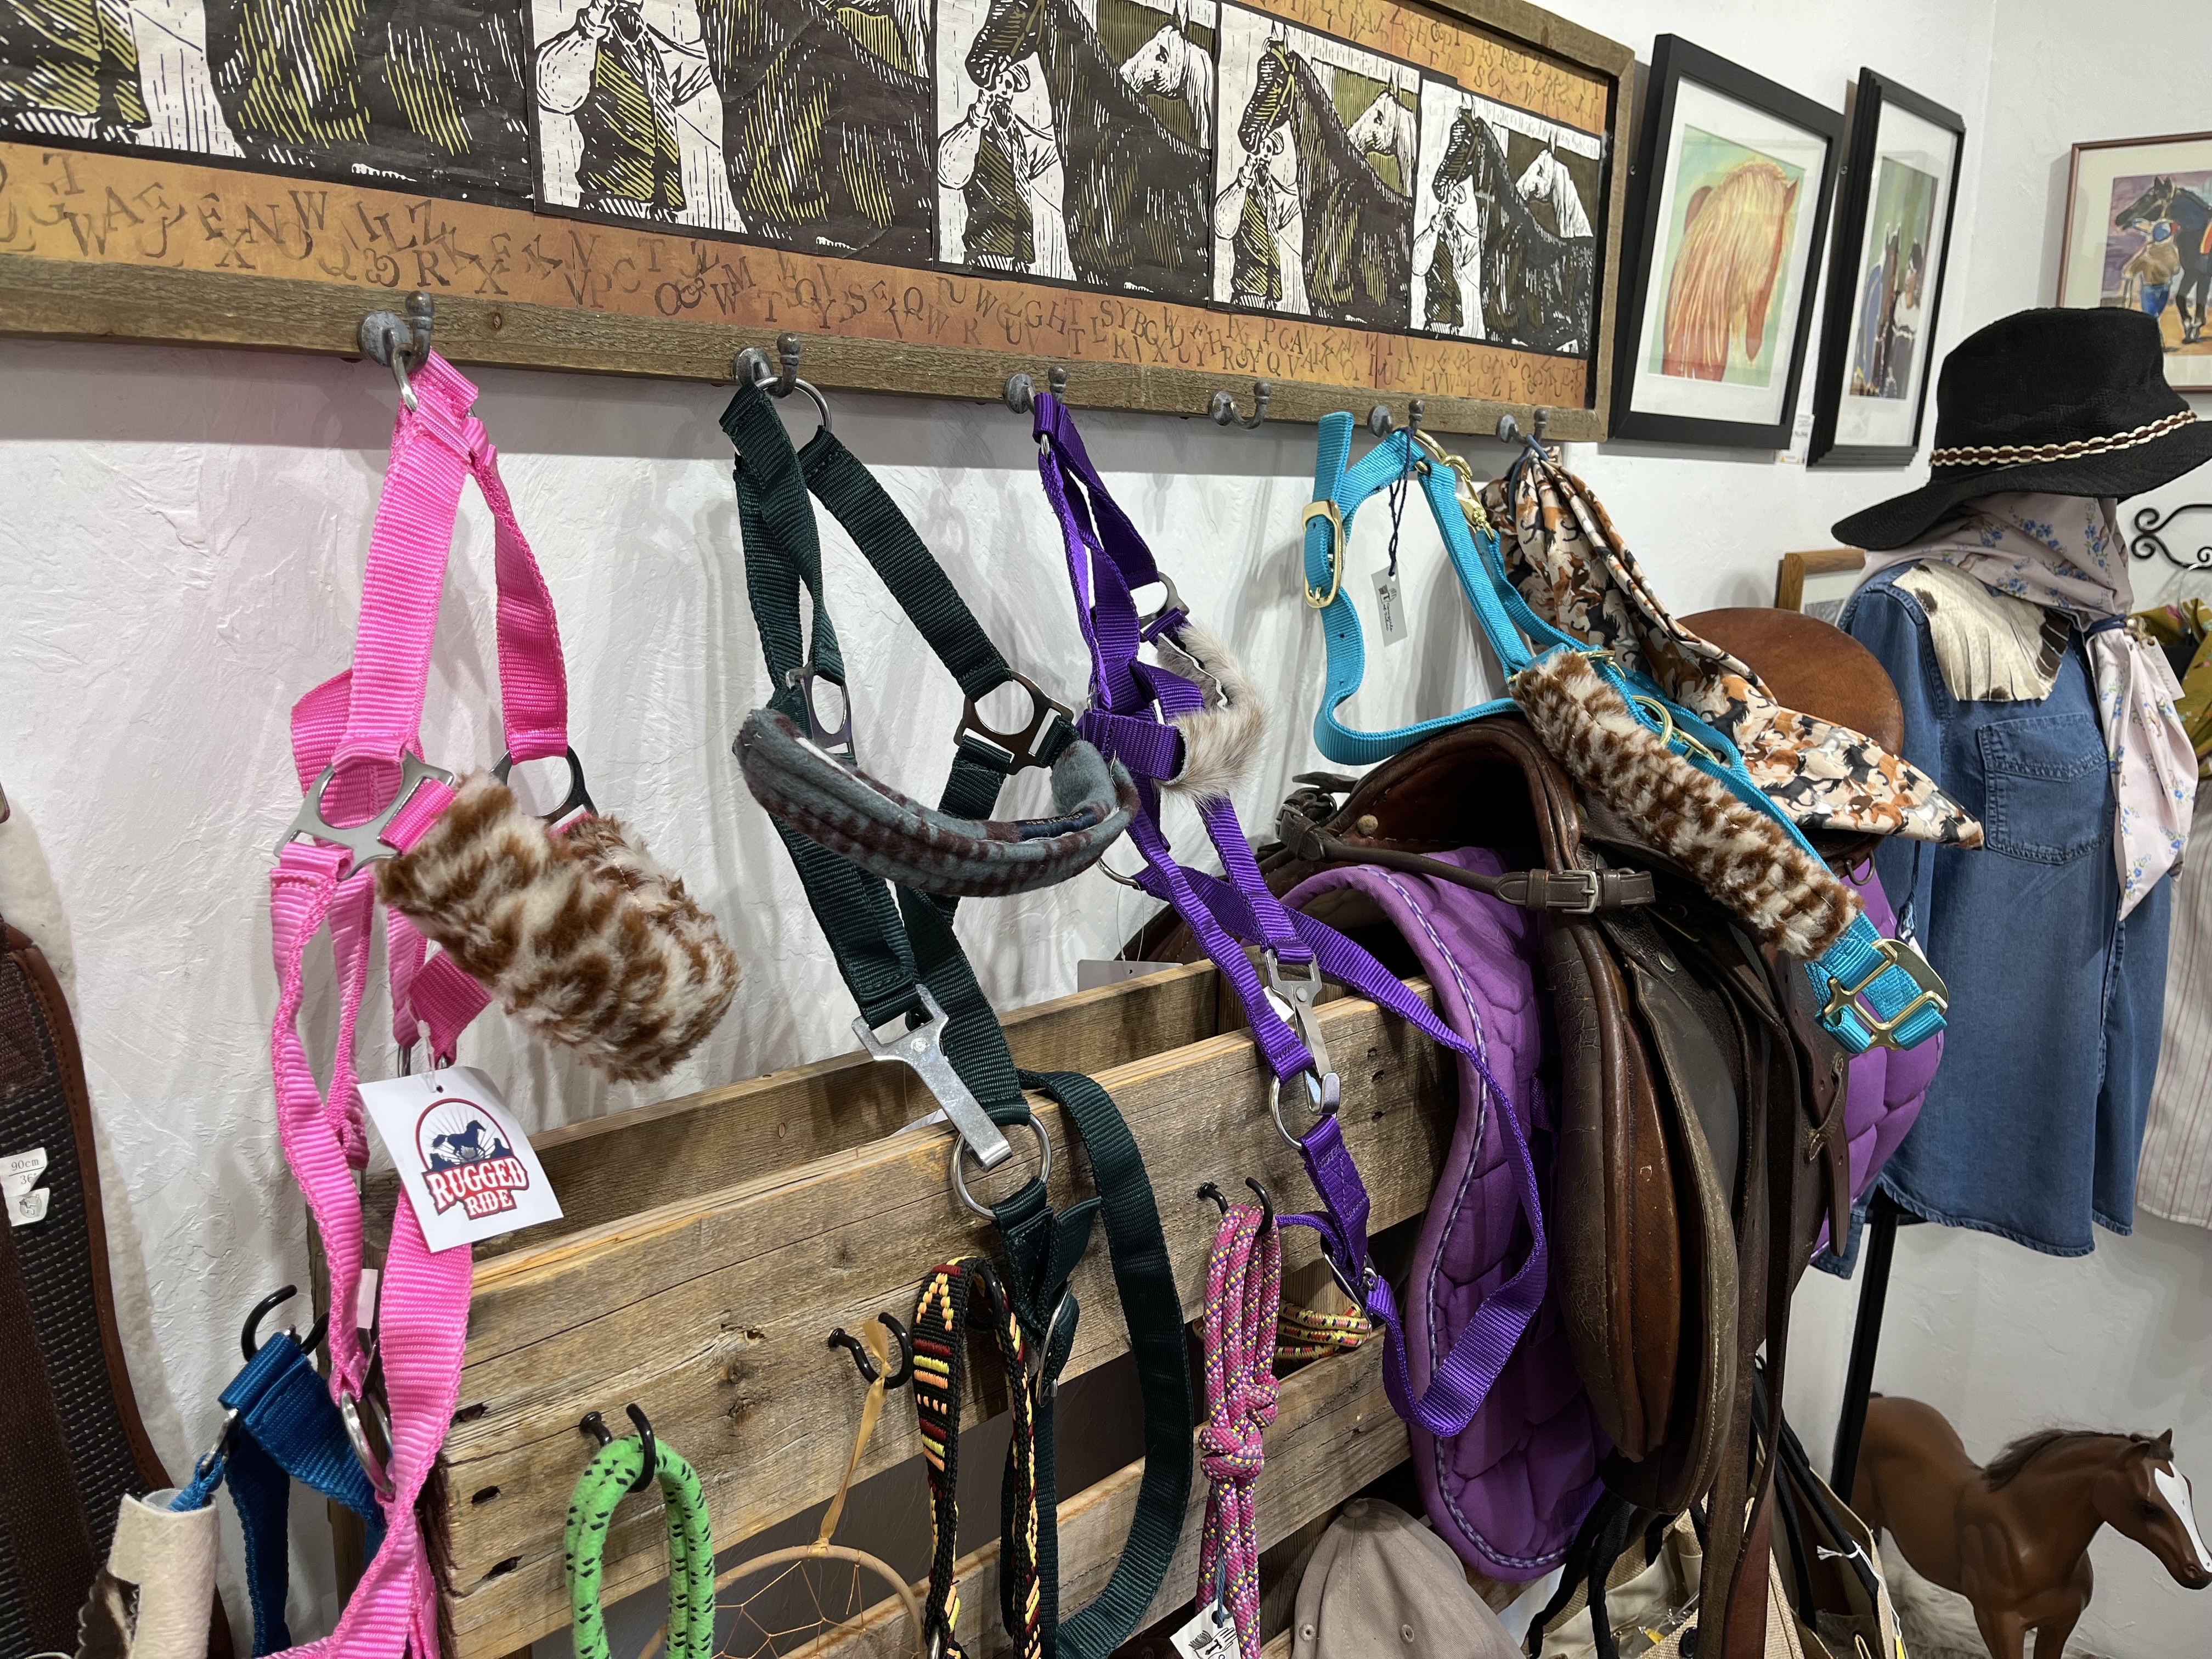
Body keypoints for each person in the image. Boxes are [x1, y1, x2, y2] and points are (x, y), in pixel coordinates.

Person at [1828, 307, 2207, 1262]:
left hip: (2065, 1066)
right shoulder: (1919, 618)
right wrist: (1848, 1165)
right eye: (2104, 489)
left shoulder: (2099, 632)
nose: (2113, 519)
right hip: (1946, 1103)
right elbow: (1868, 896)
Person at [536, 0, 714, 221]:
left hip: (663, 207)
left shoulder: (649, 41)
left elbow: (691, 72)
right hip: (612, 198)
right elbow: (551, 93)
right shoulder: (590, 41)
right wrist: (590, 27)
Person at [936, 58, 1070, 278]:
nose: (1005, 90)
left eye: (1010, 85)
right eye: (999, 81)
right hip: (988, 248)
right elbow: (948, 173)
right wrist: (975, 120)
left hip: (1022, 254)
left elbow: (1041, 162)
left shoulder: (1017, 135)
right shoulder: (976, 131)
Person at [1214, 37, 1306, 314]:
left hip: (1271, 295)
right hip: (1248, 292)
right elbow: (1223, 227)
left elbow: (1286, 219)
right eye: (1264, 148)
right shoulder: (1246, 184)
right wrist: (1243, 180)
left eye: (1270, 150)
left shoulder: (1269, 189)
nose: (1267, 154)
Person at [0, 0, 149, 144]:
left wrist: (128, 111)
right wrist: (130, 111)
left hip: (76, 111)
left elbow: (116, 37)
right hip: (33, 105)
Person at [2121, 219, 2181, 325]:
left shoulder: (2148, 254)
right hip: (2165, 286)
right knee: (2156, 316)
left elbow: (2130, 270)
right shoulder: (2173, 252)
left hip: (2149, 288)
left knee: (2150, 316)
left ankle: (2152, 331)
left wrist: (2128, 273)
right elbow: (2176, 270)